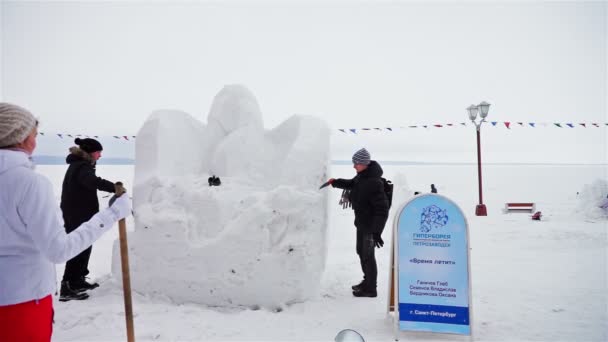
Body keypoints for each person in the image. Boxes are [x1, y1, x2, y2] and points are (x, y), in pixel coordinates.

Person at [0, 102, 131, 341]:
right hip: (22, 302)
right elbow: (58, 250)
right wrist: (113, 212)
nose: (36, 140)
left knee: (83, 250)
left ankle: (77, 279)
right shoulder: (30, 182)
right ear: (20, 138)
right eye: (34, 134)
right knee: (75, 250)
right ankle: (71, 284)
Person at [59, 137, 119, 301]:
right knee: (78, 246)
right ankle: (68, 286)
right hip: (76, 213)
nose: (100, 155)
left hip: (80, 212)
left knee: (84, 245)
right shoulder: (81, 166)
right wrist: (115, 188)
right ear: (90, 152)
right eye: (98, 152)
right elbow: (93, 182)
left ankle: (77, 280)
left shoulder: (81, 165)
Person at [326, 148, 389, 297]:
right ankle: (367, 282)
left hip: (370, 227)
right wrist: (335, 182)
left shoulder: (374, 182)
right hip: (361, 223)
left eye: (356, 163)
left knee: (368, 255)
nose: (354, 166)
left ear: (364, 163)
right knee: (361, 252)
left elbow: (382, 210)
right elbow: (352, 184)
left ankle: (371, 289)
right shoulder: (362, 176)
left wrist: (377, 232)